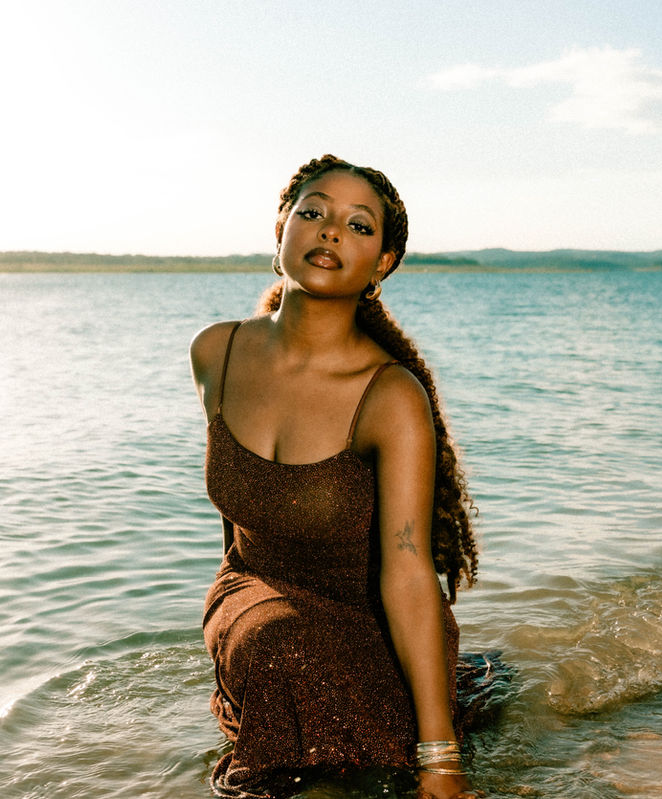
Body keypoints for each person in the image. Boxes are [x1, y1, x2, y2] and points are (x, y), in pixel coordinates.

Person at [190, 155, 482, 799]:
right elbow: (234, 515)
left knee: (390, 763)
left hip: (372, 612)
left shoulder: (389, 396)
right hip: (256, 598)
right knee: (279, 645)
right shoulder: (217, 351)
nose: (329, 233)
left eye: (359, 226)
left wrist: (440, 760)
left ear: (383, 264)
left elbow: (407, 570)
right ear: (281, 228)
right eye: (314, 212)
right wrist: (231, 625)